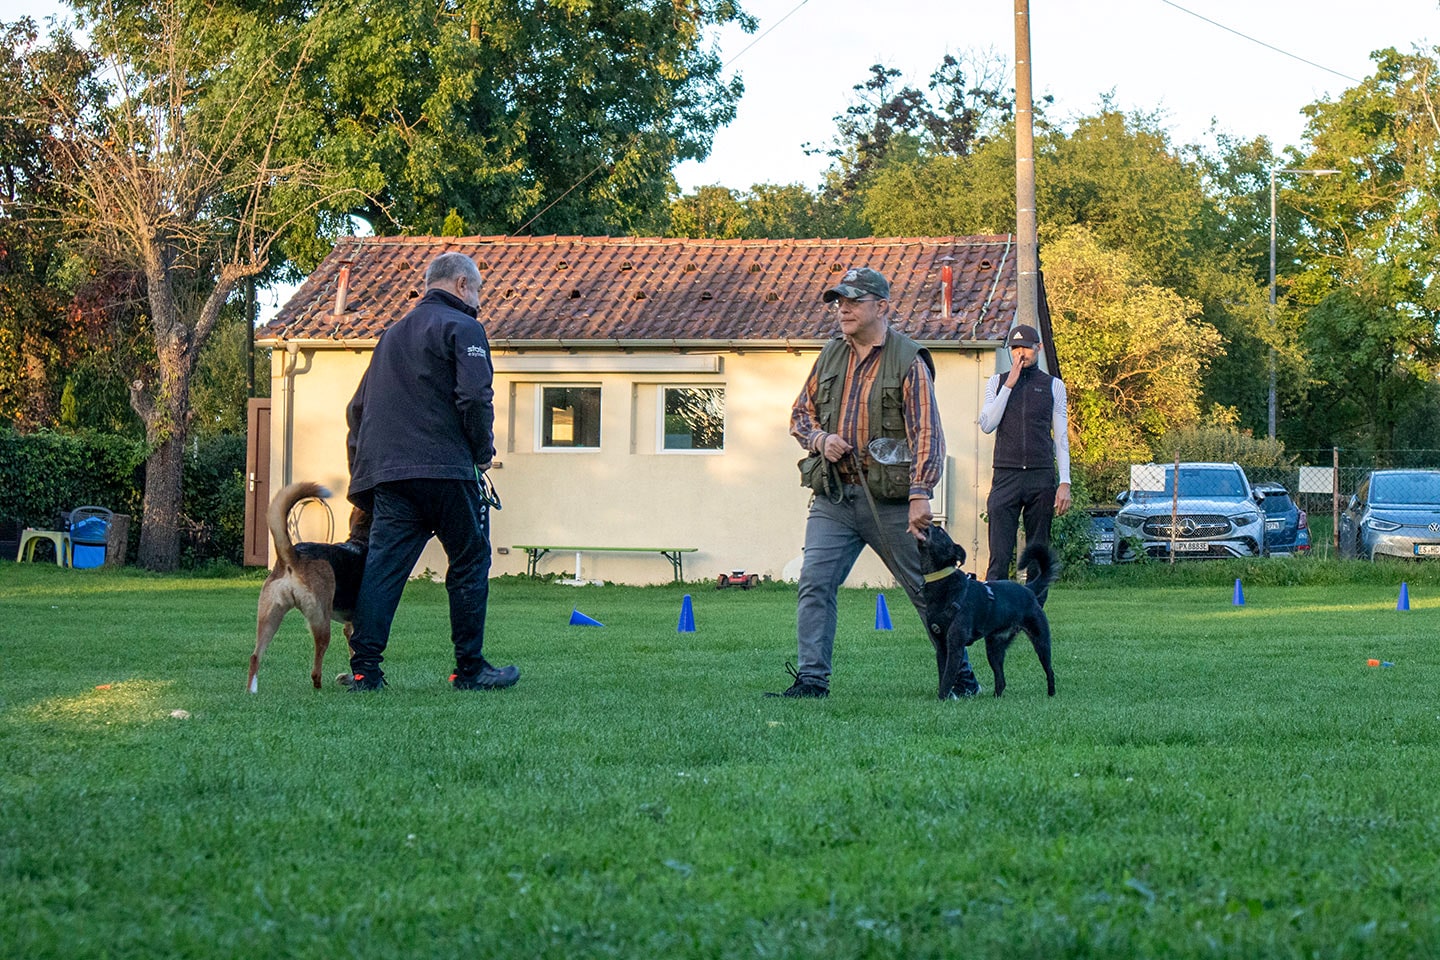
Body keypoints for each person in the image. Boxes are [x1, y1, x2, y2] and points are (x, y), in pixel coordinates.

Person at [770, 266, 979, 699]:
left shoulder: (908, 359)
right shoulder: (830, 354)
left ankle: (961, 676)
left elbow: (927, 433)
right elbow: (799, 415)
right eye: (838, 301)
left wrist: (921, 493)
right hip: (834, 495)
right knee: (815, 582)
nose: (842, 308)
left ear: (881, 307)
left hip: (893, 500)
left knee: (928, 592)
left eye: (852, 301)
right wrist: (820, 438)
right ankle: (812, 681)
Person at [343, 251, 519, 692]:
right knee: (470, 559)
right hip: (445, 470)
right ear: (461, 284)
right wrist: (482, 453)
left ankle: (365, 670)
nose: (480, 301)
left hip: (391, 477)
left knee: (383, 569)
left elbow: (357, 410)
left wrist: (365, 476)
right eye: (478, 290)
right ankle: (470, 669)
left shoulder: (390, 336)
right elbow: (476, 398)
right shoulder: (464, 327)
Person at [978, 323, 1071, 604]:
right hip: (1005, 475)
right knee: (1000, 552)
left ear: (1038, 349)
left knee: (1037, 550)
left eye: (1026, 348)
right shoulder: (996, 382)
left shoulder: (1054, 385)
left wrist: (1064, 481)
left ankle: (1032, 613)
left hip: (1040, 476)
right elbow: (987, 424)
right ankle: (993, 611)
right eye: (1015, 348)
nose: (1021, 353)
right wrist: (1010, 383)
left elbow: (1062, 436)